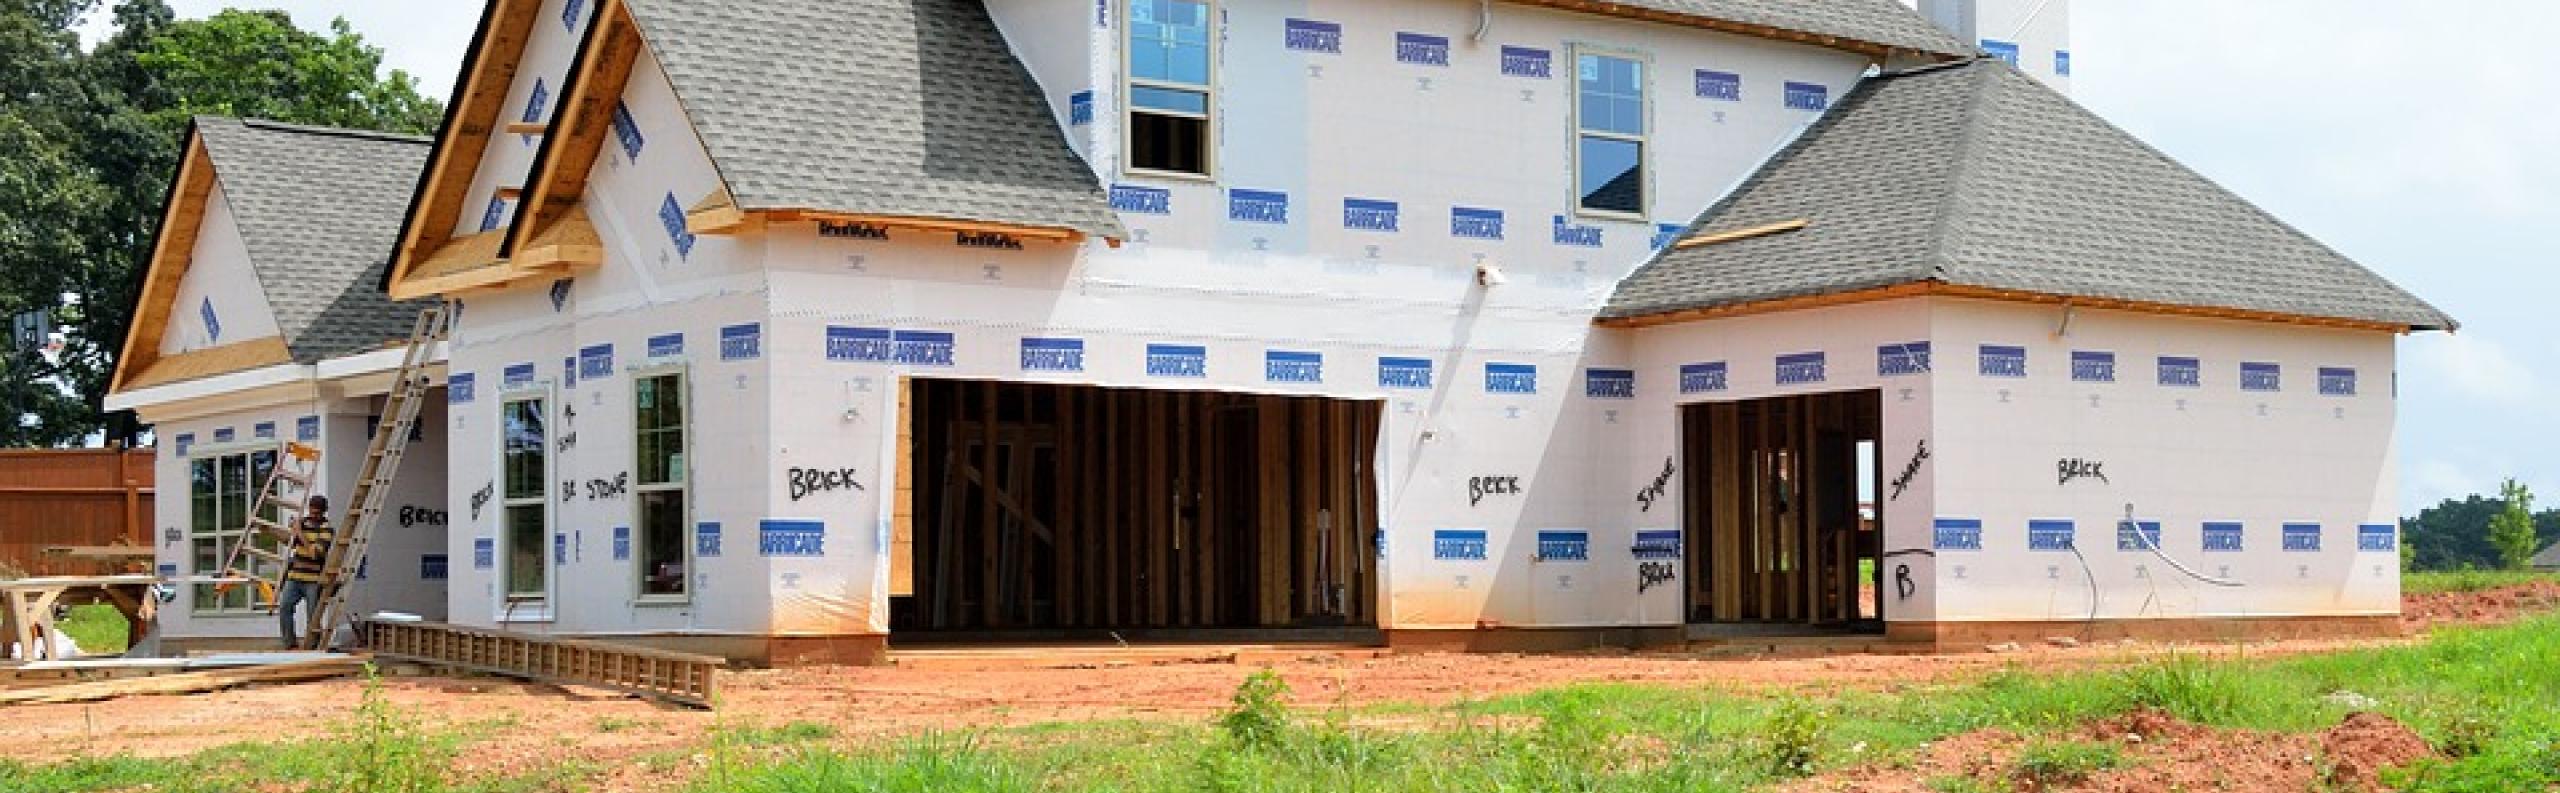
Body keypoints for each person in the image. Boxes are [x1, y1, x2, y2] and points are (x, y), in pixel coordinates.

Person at [276, 494, 334, 650]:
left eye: (316, 513)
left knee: (313, 616)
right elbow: (291, 541)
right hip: (294, 576)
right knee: (284, 607)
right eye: (311, 512)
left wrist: (300, 533)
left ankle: (313, 646)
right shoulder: (303, 523)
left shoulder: (326, 529)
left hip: (313, 579)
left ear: (323, 512)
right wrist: (270, 531)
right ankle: (290, 643)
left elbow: (316, 553)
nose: (313, 516)